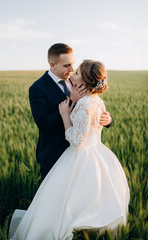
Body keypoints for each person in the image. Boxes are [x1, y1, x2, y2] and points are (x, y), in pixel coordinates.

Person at [9, 60, 130, 240]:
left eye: (77, 72)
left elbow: (76, 141)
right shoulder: (96, 100)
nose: (72, 72)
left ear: (85, 81)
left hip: (80, 155)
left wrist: (65, 115)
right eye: (71, 68)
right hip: (95, 153)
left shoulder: (86, 103)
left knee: (69, 201)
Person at [29, 43, 112, 180]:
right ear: (52, 65)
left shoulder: (77, 80)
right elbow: (44, 124)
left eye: (72, 64)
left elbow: (91, 104)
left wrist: (108, 119)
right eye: (66, 65)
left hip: (80, 156)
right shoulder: (38, 88)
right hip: (54, 153)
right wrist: (71, 101)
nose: (72, 69)